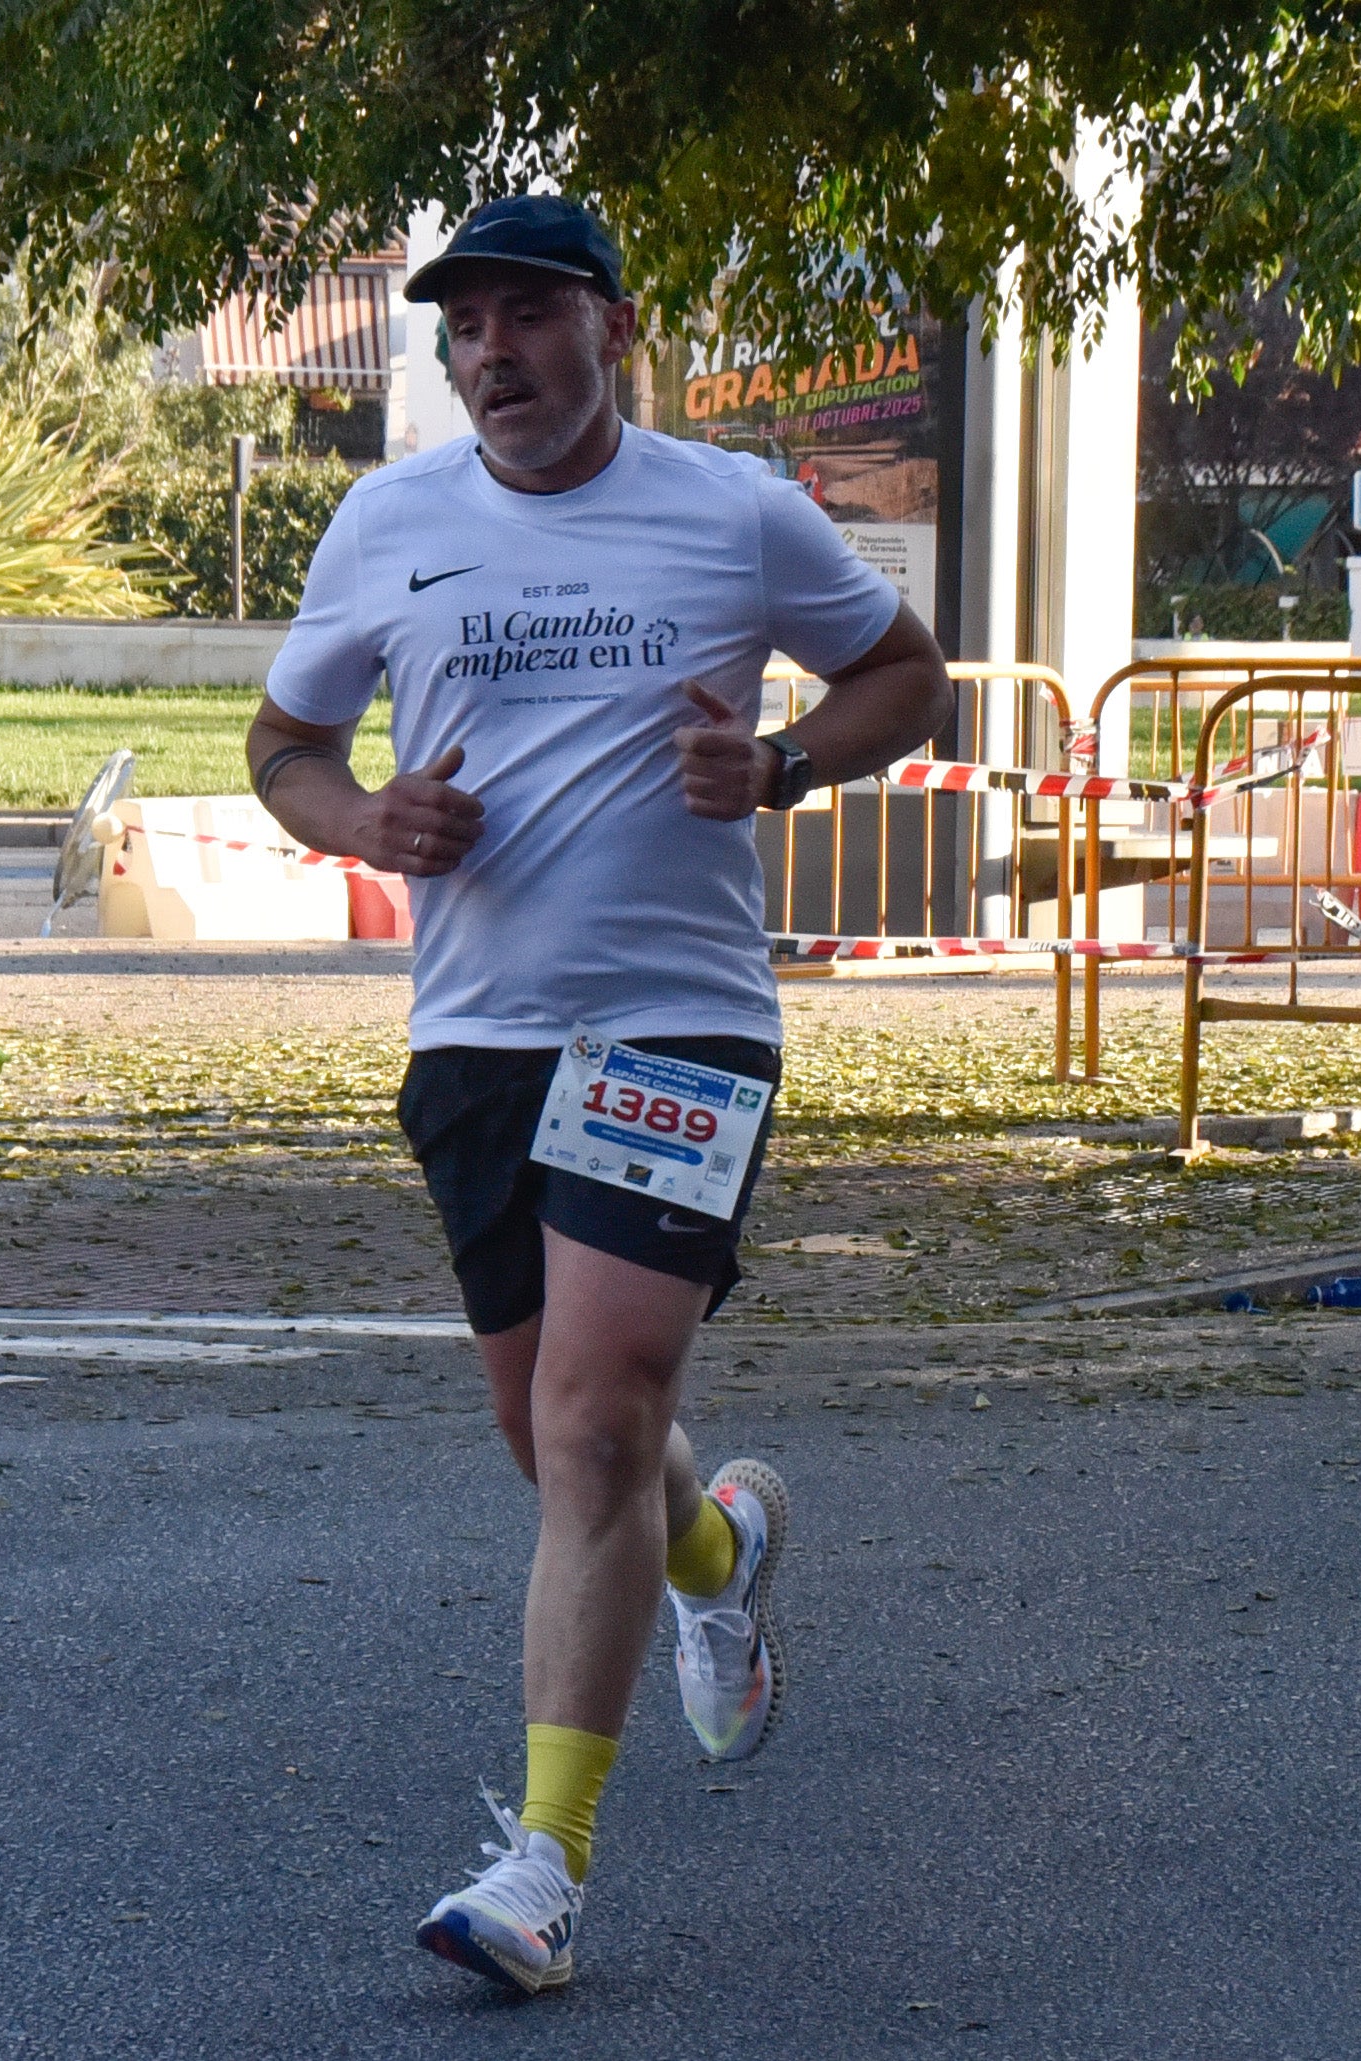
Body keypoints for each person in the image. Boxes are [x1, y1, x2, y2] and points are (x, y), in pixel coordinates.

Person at [245, 194, 954, 1996]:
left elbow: (906, 676)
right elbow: (284, 744)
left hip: (677, 1024)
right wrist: (363, 820)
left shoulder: (733, 509)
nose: (494, 352)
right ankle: (717, 1555)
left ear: (613, 329)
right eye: (464, 326)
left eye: (528, 316)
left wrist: (782, 761)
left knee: (590, 1415)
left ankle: (542, 1871)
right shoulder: (387, 521)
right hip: (476, 1034)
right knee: (567, 1443)